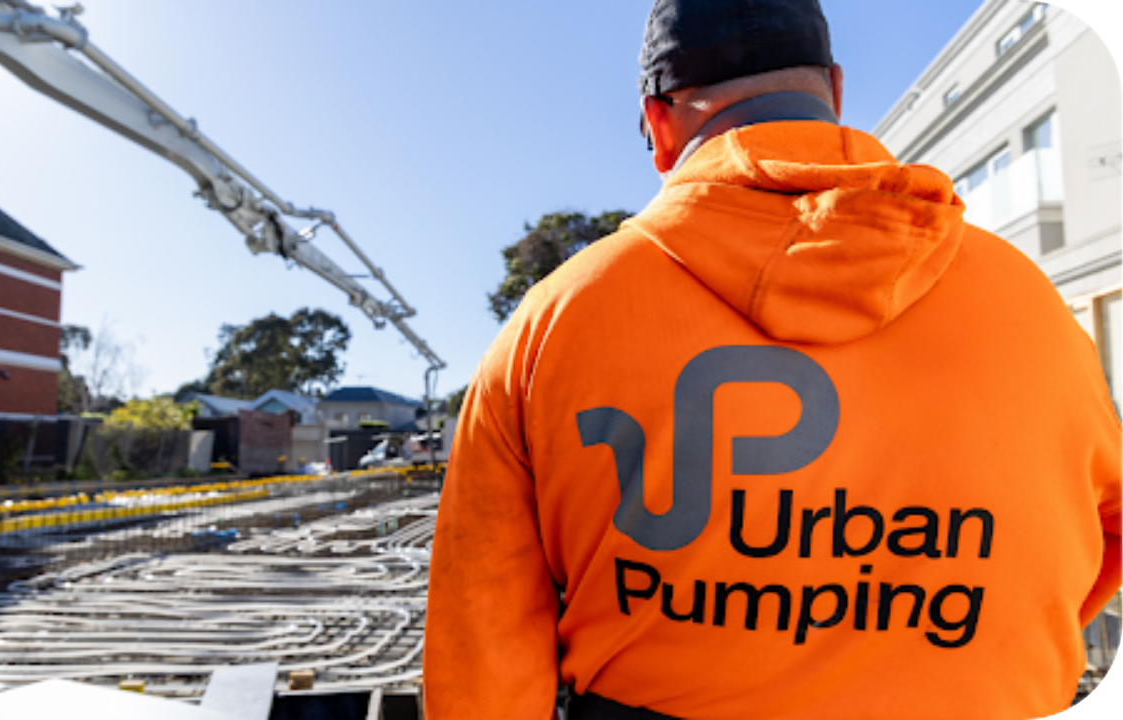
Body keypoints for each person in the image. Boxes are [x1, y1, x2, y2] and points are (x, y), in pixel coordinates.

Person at [424, 0, 1122, 717]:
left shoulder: (554, 322)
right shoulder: (1029, 304)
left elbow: (481, 645)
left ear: (658, 125)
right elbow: (1108, 527)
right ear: (835, 90)